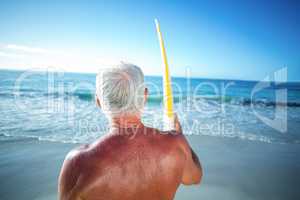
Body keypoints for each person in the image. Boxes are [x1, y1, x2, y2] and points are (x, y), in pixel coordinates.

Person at [58, 63, 202, 200]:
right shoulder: (176, 144)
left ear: (99, 102)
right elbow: (194, 177)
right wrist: (180, 137)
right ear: (145, 96)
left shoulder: (78, 163)